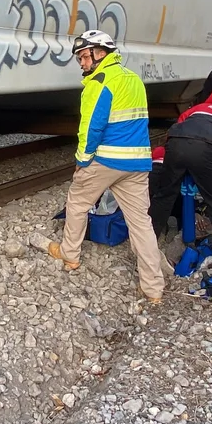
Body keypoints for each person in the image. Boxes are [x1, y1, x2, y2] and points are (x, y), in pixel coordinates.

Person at [46, 30, 168, 304]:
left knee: (77, 203)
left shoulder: (99, 82)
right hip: (138, 162)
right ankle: (153, 289)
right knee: (141, 223)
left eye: (83, 55)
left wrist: (82, 161)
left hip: (106, 159)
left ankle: (70, 255)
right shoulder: (133, 79)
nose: (80, 62)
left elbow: (91, 128)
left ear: (100, 53)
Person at [148, 91, 212, 263]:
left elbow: (179, 125)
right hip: (206, 149)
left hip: (176, 144)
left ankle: (146, 243)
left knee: (164, 196)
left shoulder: (198, 108)